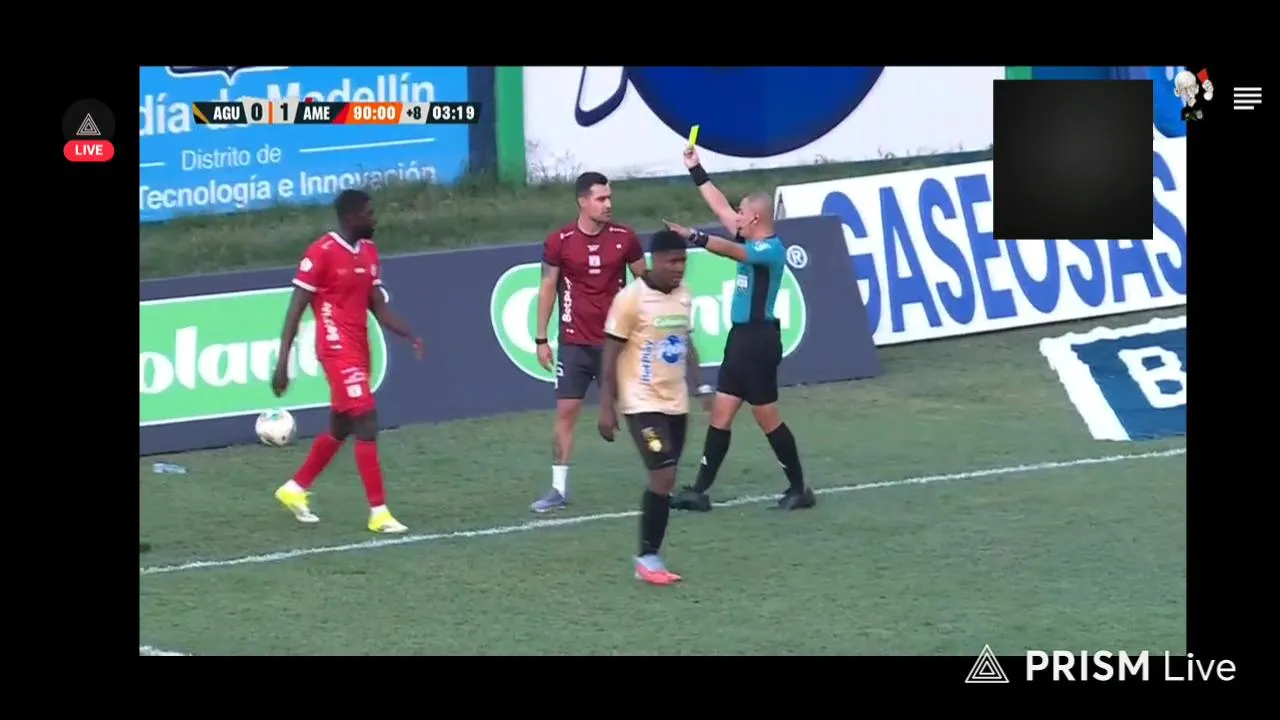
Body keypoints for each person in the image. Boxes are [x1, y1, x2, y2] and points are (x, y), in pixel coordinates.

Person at [662, 146, 816, 512]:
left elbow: (731, 251)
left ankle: (800, 489)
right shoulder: (751, 236)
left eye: (742, 212)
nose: (736, 216)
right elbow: (719, 206)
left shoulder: (769, 250)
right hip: (740, 340)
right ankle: (699, 492)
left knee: (767, 418)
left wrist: (693, 236)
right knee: (721, 414)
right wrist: (696, 168)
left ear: (756, 217)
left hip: (759, 342)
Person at [271, 189, 424, 534]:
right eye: (368, 213)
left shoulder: (369, 251)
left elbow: (377, 305)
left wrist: (409, 334)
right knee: (366, 420)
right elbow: (295, 310)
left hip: (360, 348)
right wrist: (283, 362)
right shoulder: (321, 253)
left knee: (341, 427)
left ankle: (294, 488)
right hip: (335, 348)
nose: (374, 218)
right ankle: (378, 512)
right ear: (350, 217)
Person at [530, 172, 649, 513]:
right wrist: (541, 338)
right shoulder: (560, 241)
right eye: (601, 199)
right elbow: (548, 288)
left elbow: (645, 282)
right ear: (583, 202)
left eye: (609, 198)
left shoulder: (625, 238)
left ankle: (661, 478)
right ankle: (558, 489)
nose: (608, 204)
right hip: (575, 345)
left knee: (639, 412)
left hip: (616, 343)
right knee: (566, 413)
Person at [597, 229, 710, 585]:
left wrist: (701, 385)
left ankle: (651, 557)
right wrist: (606, 405)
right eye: (672, 261)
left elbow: (686, 344)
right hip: (640, 401)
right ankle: (648, 558)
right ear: (654, 261)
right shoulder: (630, 299)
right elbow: (610, 354)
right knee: (663, 472)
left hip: (675, 402)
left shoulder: (684, 296)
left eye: (683, 261)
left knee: (667, 477)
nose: (679, 268)